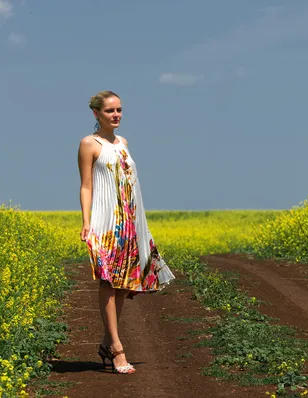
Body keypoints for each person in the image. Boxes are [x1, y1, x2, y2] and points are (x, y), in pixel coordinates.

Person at [77, 90, 175, 374]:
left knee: (121, 284)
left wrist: (139, 226)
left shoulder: (124, 143)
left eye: (119, 110)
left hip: (129, 222)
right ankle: (118, 349)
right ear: (96, 113)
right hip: (105, 222)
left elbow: (130, 183)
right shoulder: (88, 144)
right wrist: (86, 222)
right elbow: (86, 185)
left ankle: (108, 341)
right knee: (108, 282)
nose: (116, 115)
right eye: (109, 111)